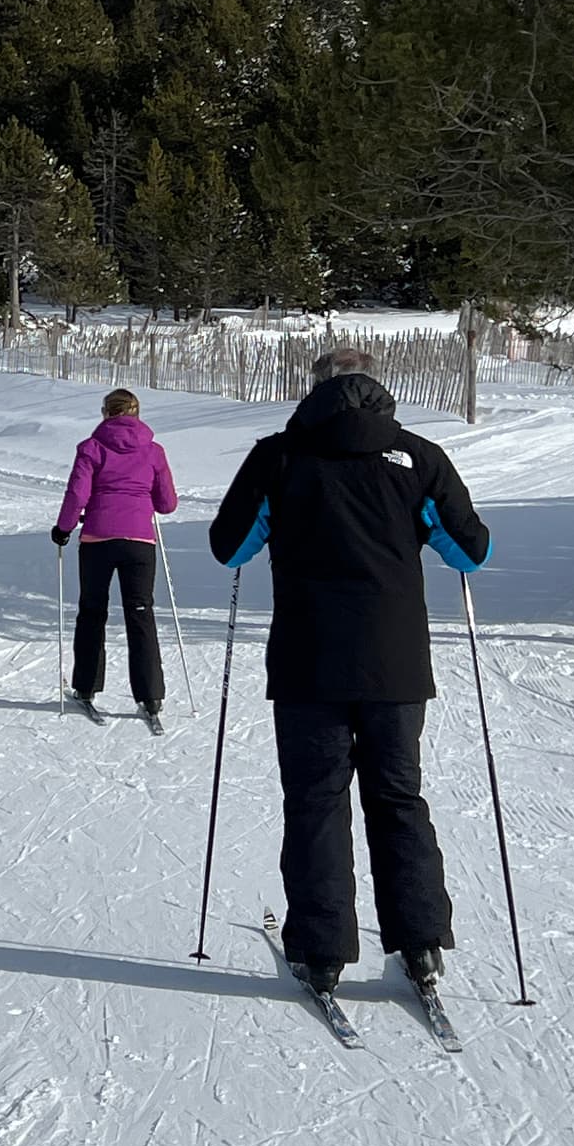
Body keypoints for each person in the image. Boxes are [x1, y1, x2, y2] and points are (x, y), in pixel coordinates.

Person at [207, 347, 493, 1003]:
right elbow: (470, 552)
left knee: (317, 800)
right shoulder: (419, 456)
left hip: (308, 661)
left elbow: (231, 547)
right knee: (397, 797)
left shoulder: (278, 456)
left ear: (314, 392)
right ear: (379, 391)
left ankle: (323, 949)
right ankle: (420, 942)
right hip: (396, 663)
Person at [52, 386, 179, 726]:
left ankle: (86, 688)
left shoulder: (91, 448)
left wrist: (64, 527)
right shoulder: (154, 451)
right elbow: (167, 503)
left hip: (98, 539)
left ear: (106, 413)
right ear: (136, 413)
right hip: (139, 542)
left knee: (92, 611)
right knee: (141, 613)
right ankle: (150, 697)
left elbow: (77, 493)